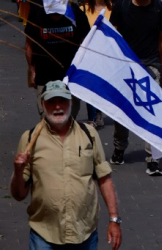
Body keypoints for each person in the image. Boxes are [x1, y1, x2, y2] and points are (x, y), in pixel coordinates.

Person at [11, 81, 122, 250]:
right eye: (51, 101)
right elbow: (19, 195)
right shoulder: (29, 139)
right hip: (44, 235)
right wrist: (18, 171)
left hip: (84, 233)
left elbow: (104, 179)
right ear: (43, 104)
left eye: (62, 100)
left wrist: (114, 219)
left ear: (71, 102)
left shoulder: (89, 134)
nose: (57, 107)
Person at [109, 0, 162, 176]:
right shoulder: (121, 6)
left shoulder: (159, 8)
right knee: (123, 111)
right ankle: (119, 148)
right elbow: (113, 35)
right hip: (125, 65)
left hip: (150, 64)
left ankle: (153, 158)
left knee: (151, 112)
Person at [25, 6, 90, 115]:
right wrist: (32, 70)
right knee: (46, 116)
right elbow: (29, 44)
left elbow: (86, 42)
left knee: (70, 115)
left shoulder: (76, 13)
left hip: (70, 75)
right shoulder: (37, 12)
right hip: (44, 74)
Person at [81, 0, 112, 128]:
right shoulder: (83, 9)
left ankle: (99, 112)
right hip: (89, 53)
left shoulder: (112, 8)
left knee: (101, 86)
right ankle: (92, 116)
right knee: (90, 85)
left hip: (107, 53)